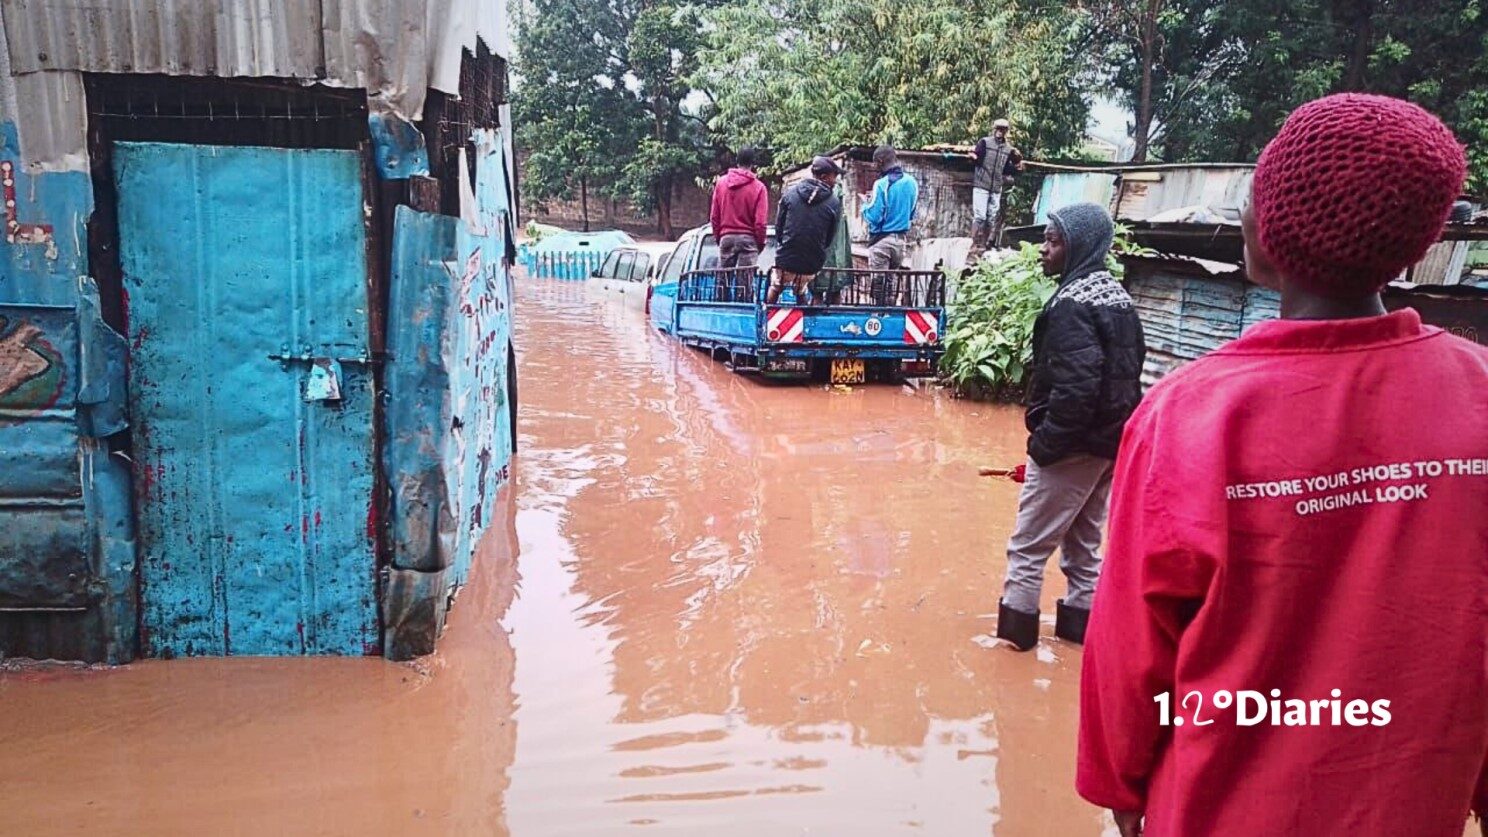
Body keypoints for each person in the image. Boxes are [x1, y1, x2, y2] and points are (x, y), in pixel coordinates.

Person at [1078, 94, 1488, 837]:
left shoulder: (1190, 414)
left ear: (1267, 227)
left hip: (1213, 809)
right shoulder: (1479, 396)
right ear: (1413, 247)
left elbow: (1128, 648)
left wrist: (1121, 788)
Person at [995, 201, 1145, 652]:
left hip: (1072, 447)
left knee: (1027, 550)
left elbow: (1077, 389)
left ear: (1077, 246)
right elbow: (1128, 373)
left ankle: (1013, 650)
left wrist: (1044, 447)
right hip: (1108, 447)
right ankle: (1080, 642)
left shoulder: (1071, 306)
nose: (1044, 250)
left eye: (1053, 241)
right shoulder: (1118, 299)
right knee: (1083, 550)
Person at [770, 156, 845, 304]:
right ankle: (804, 319)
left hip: (786, 259)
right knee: (801, 287)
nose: (835, 181)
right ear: (824, 177)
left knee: (776, 286)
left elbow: (779, 228)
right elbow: (830, 238)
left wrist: (785, 244)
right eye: (833, 176)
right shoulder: (834, 202)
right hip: (813, 264)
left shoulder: (790, 193)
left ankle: (767, 315)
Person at [861, 145, 919, 304]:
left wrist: (865, 206)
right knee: (891, 282)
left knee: (878, 285)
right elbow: (912, 212)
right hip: (900, 241)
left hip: (881, 241)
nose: (874, 166)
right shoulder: (912, 182)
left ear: (880, 161)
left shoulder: (881, 184)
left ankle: (879, 317)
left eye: (875, 163)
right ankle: (891, 312)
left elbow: (875, 217)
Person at [969, 118, 1023, 257]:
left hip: (996, 187)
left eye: (1003, 129)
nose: (1000, 131)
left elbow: (1007, 168)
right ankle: (974, 244)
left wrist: (1017, 168)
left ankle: (986, 245)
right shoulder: (985, 143)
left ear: (1006, 131)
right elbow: (977, 159)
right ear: (994, 129)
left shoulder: (1009, 149)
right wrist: (973, 157)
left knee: (991, 217)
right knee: (980, 216)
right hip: (982, 184)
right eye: (998, 128)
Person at [710, 146, 769, 270]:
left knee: (722, 282)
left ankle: (722, 290)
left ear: (737, 161)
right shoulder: (759, 188)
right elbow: (760, 223)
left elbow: (714, 217)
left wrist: (720, 237)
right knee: (744, 284)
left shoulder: (721, 183)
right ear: (753, 163)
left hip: (726, 237)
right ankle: (743, 290)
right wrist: (759, 243)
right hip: (748, 239)